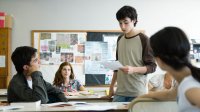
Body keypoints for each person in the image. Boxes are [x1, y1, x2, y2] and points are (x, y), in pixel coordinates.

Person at [130, 27, 200, 111]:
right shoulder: (185, 82)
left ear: (159, 60)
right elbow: (169, 95)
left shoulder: (190, 88)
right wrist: (141, 97)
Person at [103, 5, 157, 102]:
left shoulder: (144, 39)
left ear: (134, 20)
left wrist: (133, 69)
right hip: (120, 93)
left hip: (137, 93)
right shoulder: (120, 39)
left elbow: (152, 67)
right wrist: (111, 87)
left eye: (126, 22)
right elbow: (117, 66)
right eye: (120, 23)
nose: (122, 26)